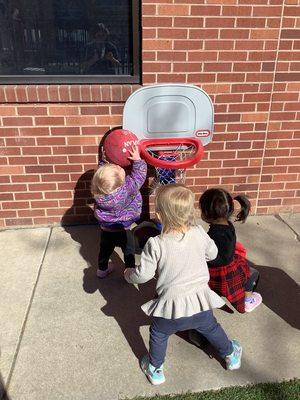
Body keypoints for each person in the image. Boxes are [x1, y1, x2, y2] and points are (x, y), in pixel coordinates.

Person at [124, 184, 242, 385]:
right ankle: (230, 355)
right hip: (200, 304)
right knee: (212, 328)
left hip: (170, 309)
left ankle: (155, 369)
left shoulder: (156, 243)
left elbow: (143, 275)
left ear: (160, 217)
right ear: (191, 212)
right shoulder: (199, 232)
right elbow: (212, 254)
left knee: (159, 334)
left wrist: (129, 275)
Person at [199, 188, 262, 313]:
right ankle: (248, 297)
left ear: (206, 213)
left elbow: (216, 258)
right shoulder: (227, 224)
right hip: (230, 262)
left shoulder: (214, 234)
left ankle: (247, 301)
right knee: (252, 273)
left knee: (251, 274)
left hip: (221, 272)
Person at [91, 145, 147, 278]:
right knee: (129, 250)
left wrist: (104, 162)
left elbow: (102, 178)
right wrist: (138, 160)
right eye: (118, 169)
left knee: (104, 251)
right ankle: (130, 271)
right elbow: (139, 176)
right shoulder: (128, 188)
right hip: (124, 228)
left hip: (107, 230)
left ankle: (102, 270)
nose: (118, 166)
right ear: (121, 182)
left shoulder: (99, 192)